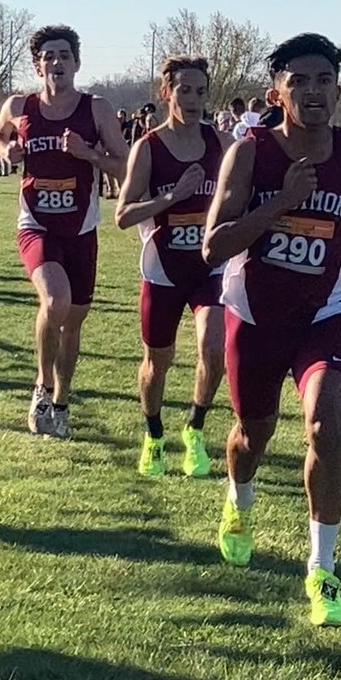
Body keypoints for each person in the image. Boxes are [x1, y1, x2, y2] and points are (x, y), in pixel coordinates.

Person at [203, 33, 341, 627]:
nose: (313, 91)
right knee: (250, 436)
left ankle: (321, 569)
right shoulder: (250, 151)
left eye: (323, 80)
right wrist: (279, 204)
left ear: (338, 87)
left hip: (325, 308)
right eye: (299, 81)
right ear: (276, 91)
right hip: (255, 313)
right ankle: (239, 500)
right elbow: (214, 245)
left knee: (322, 422)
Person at [0, 24, 127, 438]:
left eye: (64, 55)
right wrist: (6, 150)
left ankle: (61, 402)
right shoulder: (20, 105)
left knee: (73, 322)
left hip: (81, 228)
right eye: (49, 56)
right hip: (37, 224)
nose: (57, 62)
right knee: (55, 299)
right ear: (37, 66)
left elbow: (124, 165)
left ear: (77, 63)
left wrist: (88, 154)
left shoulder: (96, 109)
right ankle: (41, 387)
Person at [115, 56, 232, 478]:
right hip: (162, 268)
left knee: (215, 351)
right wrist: (171, 198)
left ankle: (195, 429)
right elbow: (123, 214)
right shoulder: (149, 147)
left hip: (209, 267)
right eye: (185, 90)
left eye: (201, 91)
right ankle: (153, 433)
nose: (194, 100)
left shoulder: (221, 144)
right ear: (167, 93)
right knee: (157, 362)